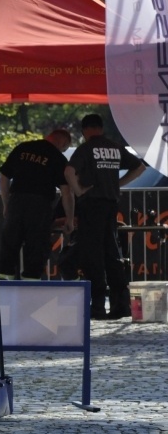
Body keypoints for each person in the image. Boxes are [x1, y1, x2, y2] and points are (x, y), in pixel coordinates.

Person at [64, 114, 146, 319]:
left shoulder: (86, 149)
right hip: (111, 206)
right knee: (112, 254)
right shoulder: (115, 147)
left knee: (92, 256)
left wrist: (79, 191)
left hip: (91, 206)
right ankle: (121, 305)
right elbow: (140, 167)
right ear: (101, 128)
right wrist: (118, 184)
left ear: (84, 131)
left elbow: (68, 171)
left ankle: (98, 306)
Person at [0, 129, 73, 280]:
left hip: (17, 201)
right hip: (40, 205)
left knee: (9, 243)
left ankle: (3, 281)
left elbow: (4, 178)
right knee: (37, 246)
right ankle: (30, 282)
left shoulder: (23, 148)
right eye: (64, 148)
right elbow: (67, 192)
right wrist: (69, 219)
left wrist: (7, 204)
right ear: (63, 143)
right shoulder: (58, 157)